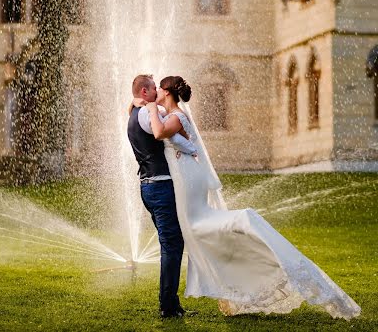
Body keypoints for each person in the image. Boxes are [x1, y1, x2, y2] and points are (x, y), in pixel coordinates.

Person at [145, 75, 361, 320]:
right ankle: (234, 278)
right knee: (195, 230)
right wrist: (139, 104)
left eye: (159, 91)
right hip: (185, 175)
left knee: (196, 226)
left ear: (167, 92)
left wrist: (150, 107)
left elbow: (159, 132)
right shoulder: (171, 114)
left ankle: (244, 227)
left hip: (188, 178)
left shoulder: (176, 116)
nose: (156, 96)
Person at [127, 74, 197, 319]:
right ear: (144, 92)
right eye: (153, 89)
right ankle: (168, 306)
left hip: (148, 187)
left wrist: (141, 103)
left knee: (171, 243)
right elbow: (160, 131)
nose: (157, 92)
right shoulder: (147, 114)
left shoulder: (134, 115)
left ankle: (171, 302)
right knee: (172, 244)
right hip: (160, 186)